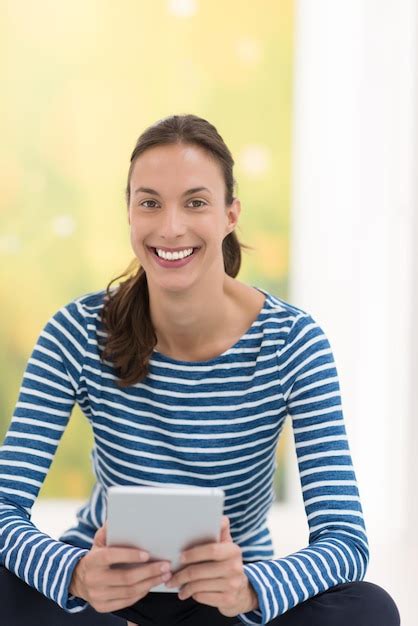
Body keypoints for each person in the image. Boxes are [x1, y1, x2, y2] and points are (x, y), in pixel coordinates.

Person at [0, 114, 400, 626]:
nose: (170, 227)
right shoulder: (76, 332)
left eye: (195, 202)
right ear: (129, 214)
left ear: (230, 215)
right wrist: (75, 574)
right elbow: (5, 505)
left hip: (229, 601)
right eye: (149, 203)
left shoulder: (293, 342)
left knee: (368, 609)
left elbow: (344, 539)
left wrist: (252, 588)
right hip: (102, 600)